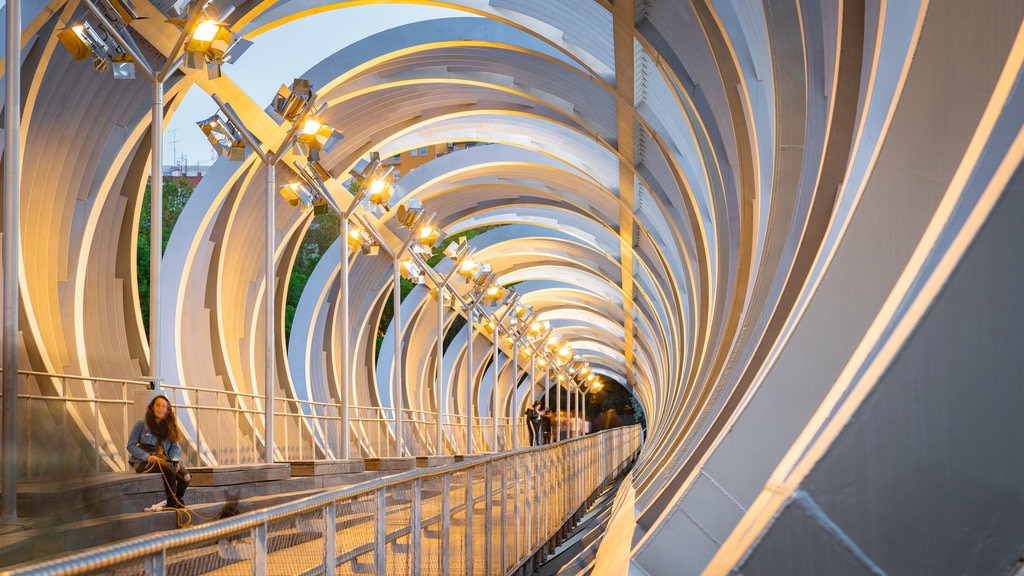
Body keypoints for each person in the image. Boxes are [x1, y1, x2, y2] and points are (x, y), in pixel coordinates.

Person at [127, 395, 192, 510]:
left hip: (165, 460)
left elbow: (174, 447)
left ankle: (179, 498)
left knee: (186, 477)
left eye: (163, 406)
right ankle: (172, 501)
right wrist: (147, 457)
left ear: (167, 410)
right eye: (158, 405)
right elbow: (130, 446)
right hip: (144, 462)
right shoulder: (141, 423)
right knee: (168, 467)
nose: (160, 408)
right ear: (152, 407)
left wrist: (175, 460)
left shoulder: (170, 426)